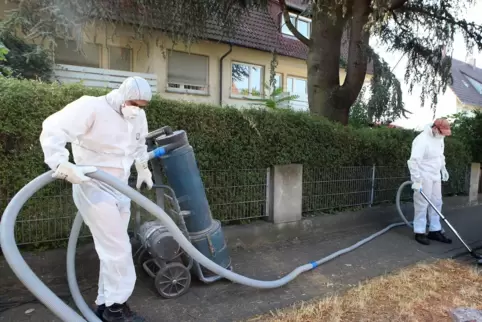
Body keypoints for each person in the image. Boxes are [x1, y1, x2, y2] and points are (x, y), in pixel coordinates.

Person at [39, 76, 154, 322]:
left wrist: (143, 169)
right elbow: (53, 128)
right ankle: (116, 309)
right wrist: (60, 162)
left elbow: (139, 146)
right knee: (119, 250)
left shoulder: (138, 117)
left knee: (111, 251)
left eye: (143, 105)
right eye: (135, 102)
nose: (138, 109)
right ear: (123, 95)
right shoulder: (91, 107)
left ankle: (105, 304)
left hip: (121, 188)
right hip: (93, 187)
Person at [407, 118, 453, 246]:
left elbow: (440, 155)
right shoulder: (421, 140)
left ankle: (434, 230)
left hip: (435, 174)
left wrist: (443, 168)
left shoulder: (439, 138)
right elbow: (413, 162)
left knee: (437, 202)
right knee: (422, 203)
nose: (443, 135)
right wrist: (416, 180)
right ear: (435, 128)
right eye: (442, 132)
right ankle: (420, 231)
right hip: (423, 175)